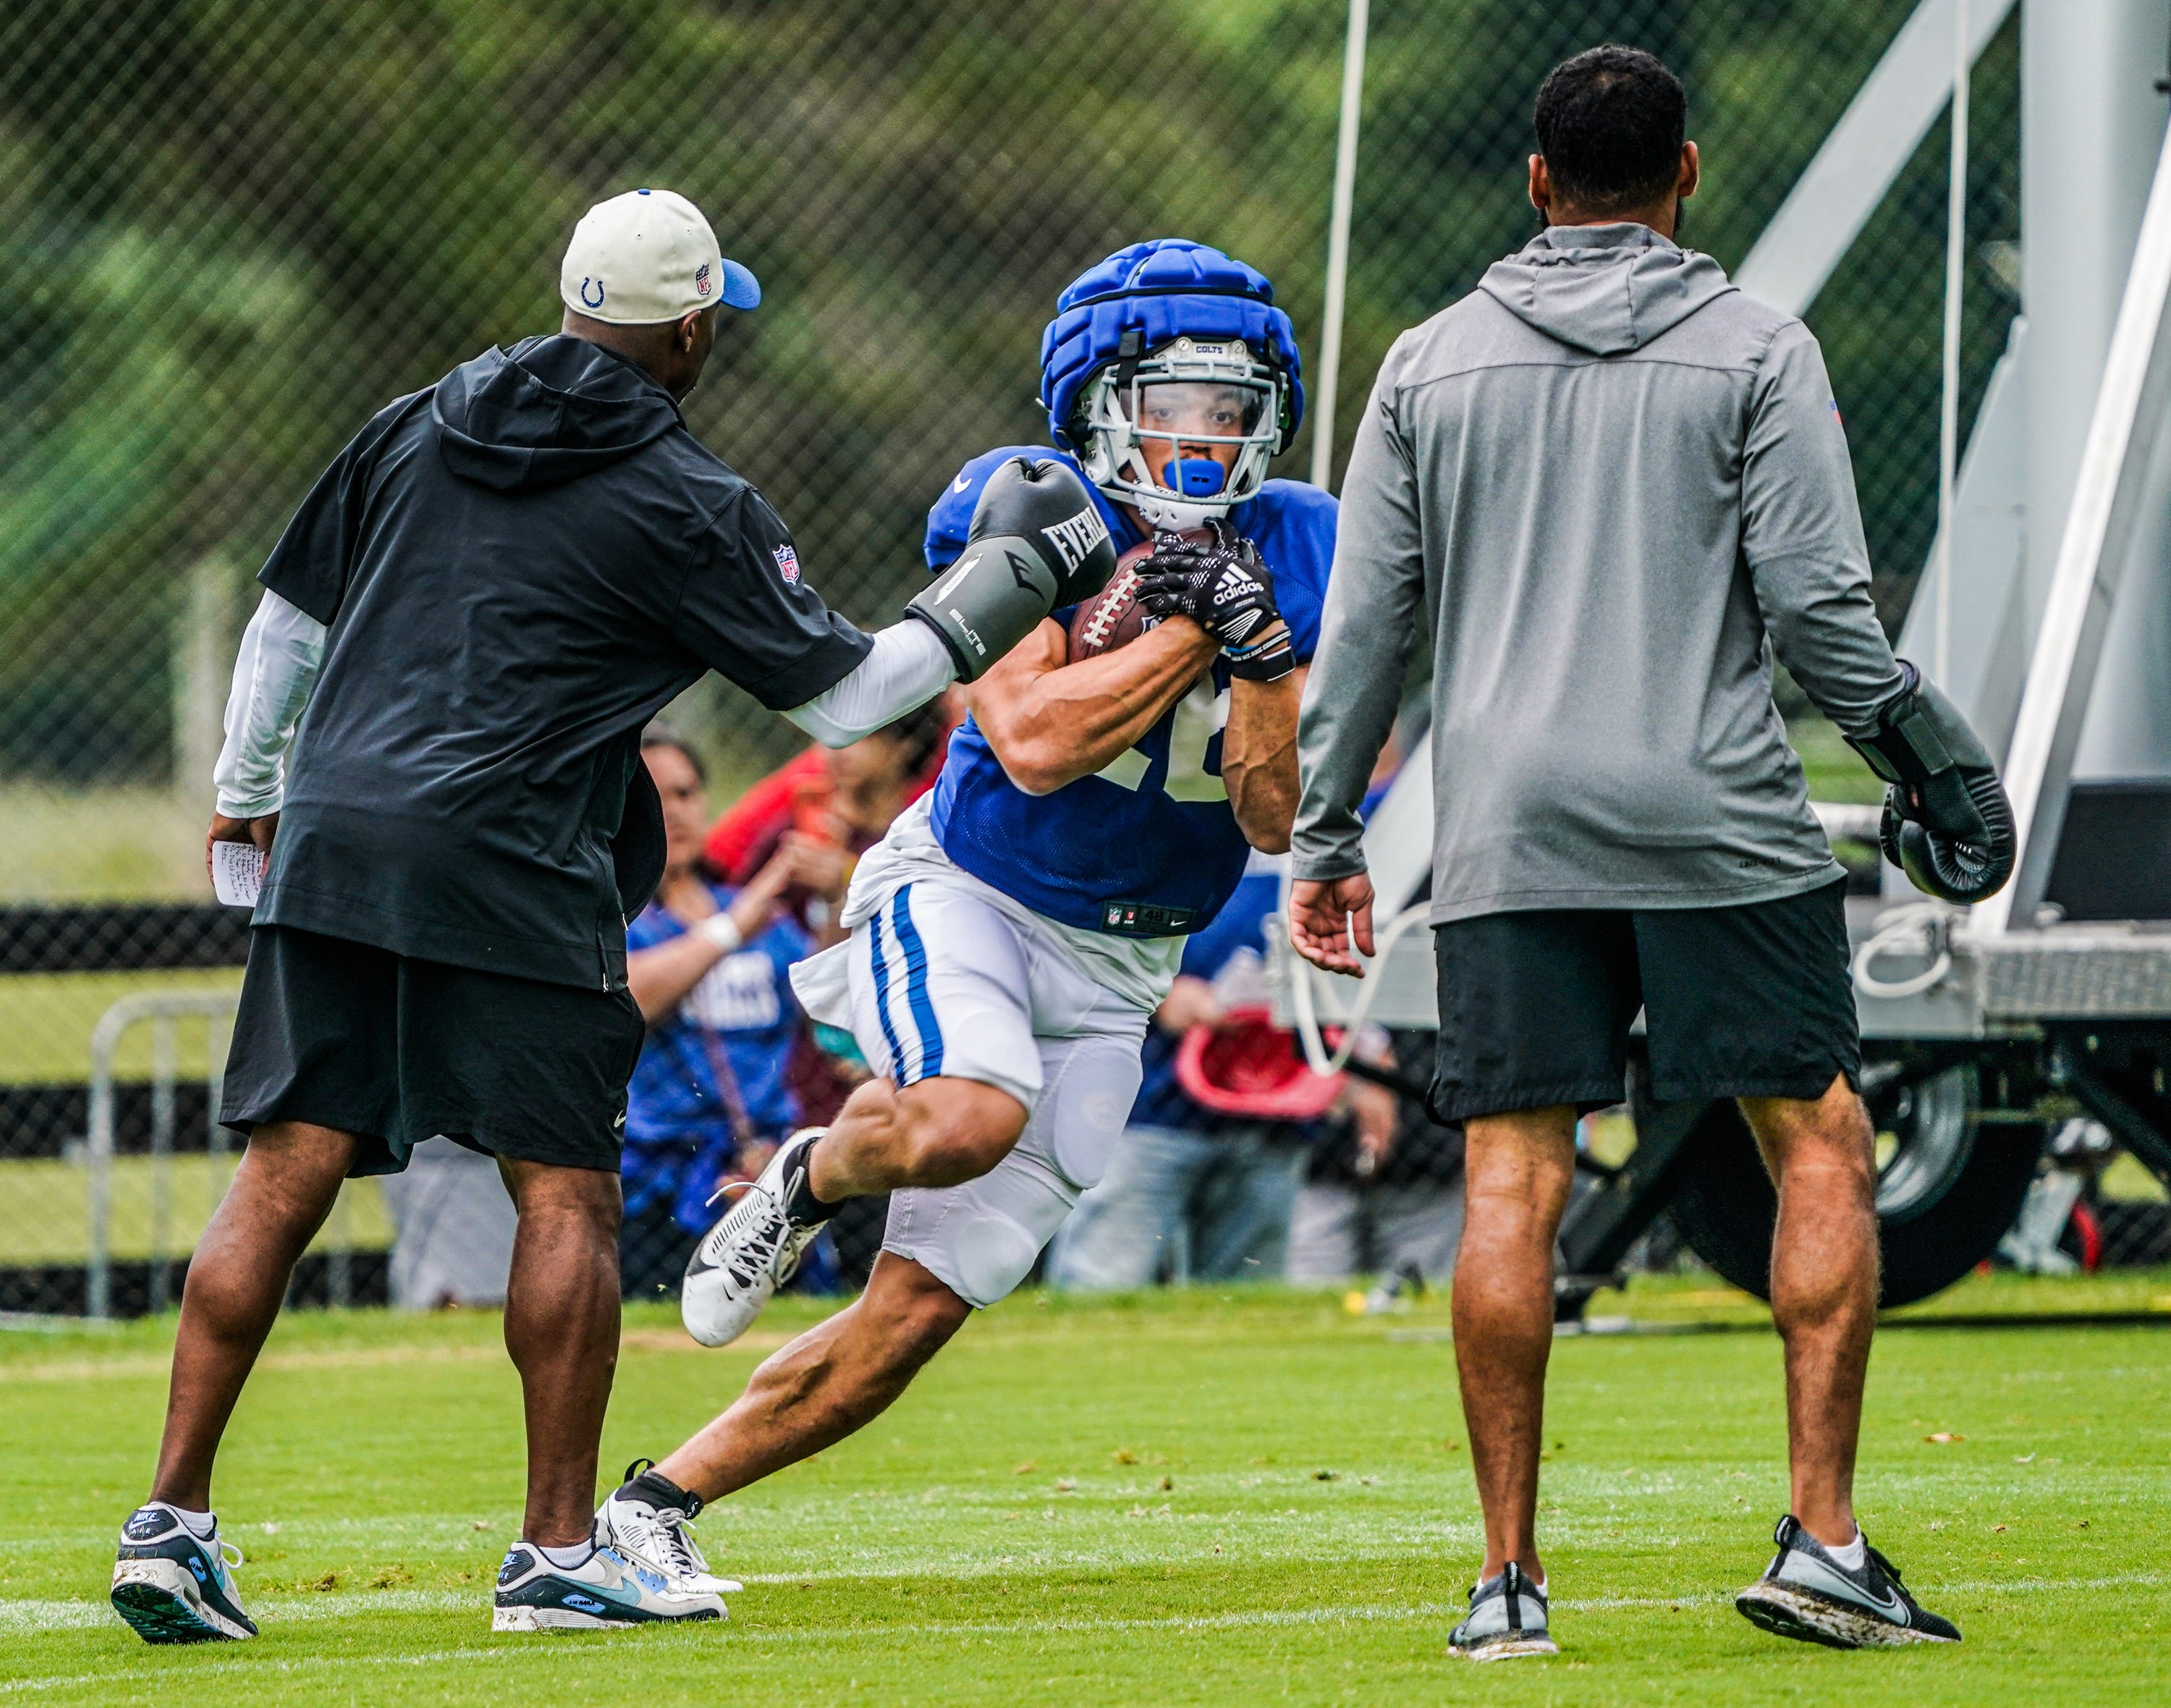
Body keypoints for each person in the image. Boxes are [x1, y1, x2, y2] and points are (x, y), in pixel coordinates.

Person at [110, 187, 1099, 1643]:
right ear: (694, 325)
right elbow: (841, 699)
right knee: (561, 1191)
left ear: (574, 298)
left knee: (280, 1174)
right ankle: (560, 1552)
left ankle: (170, 1527)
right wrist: (1003, 588)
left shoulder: (411, 418)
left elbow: (284, 629)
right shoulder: (687, 497)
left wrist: (243, 796)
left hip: (336, 835)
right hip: (514, 857)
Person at [1288, 48, 2007, 1659]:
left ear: (1536, 182)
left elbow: (1366, 632)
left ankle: (1506, 1585)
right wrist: (1923, 749)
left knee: (1511, 1173)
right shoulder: (1758, 347)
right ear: (1685, 176)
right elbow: (1823, 617)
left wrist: (1329, 834)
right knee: (1816, 1137)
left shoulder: (1426, 362)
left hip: (1508, 828)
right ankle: (1824, 1542)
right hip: (1717, 819)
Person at [585, 238, 1336, 1591]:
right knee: (967, 1113)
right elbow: (1037, 741)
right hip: (970, 893)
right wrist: (1194, 626)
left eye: (1231, 406)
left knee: (923, 1307)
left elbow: (1274, 819)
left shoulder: (1306, 539)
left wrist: (1263, 646)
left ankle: (654, 1503)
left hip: (1127, 962)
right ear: (1099, 398)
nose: (1203, 435)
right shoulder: (1027, 506)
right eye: (1173, 400)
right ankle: (816, 1175)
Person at [1048, 852, 1397, 1290]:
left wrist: (1366, 1069)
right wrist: (1161, 994)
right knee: (1098, 1287)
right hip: (1145, 1110)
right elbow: (1071, 938)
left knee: (1244, 1297)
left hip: (1277, 1116)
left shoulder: (1322, 841)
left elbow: (1355, 963)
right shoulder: (1148, 824)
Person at [619, 727, 836, 1298]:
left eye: (687, 794)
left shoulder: (754, 917)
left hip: (768, 1171)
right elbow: (631, 996)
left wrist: (838, 892)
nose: (675, 813)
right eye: (654, 798)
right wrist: (733, 927)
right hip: (660, 1187)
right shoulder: (616, 918)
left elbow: (828, 995)